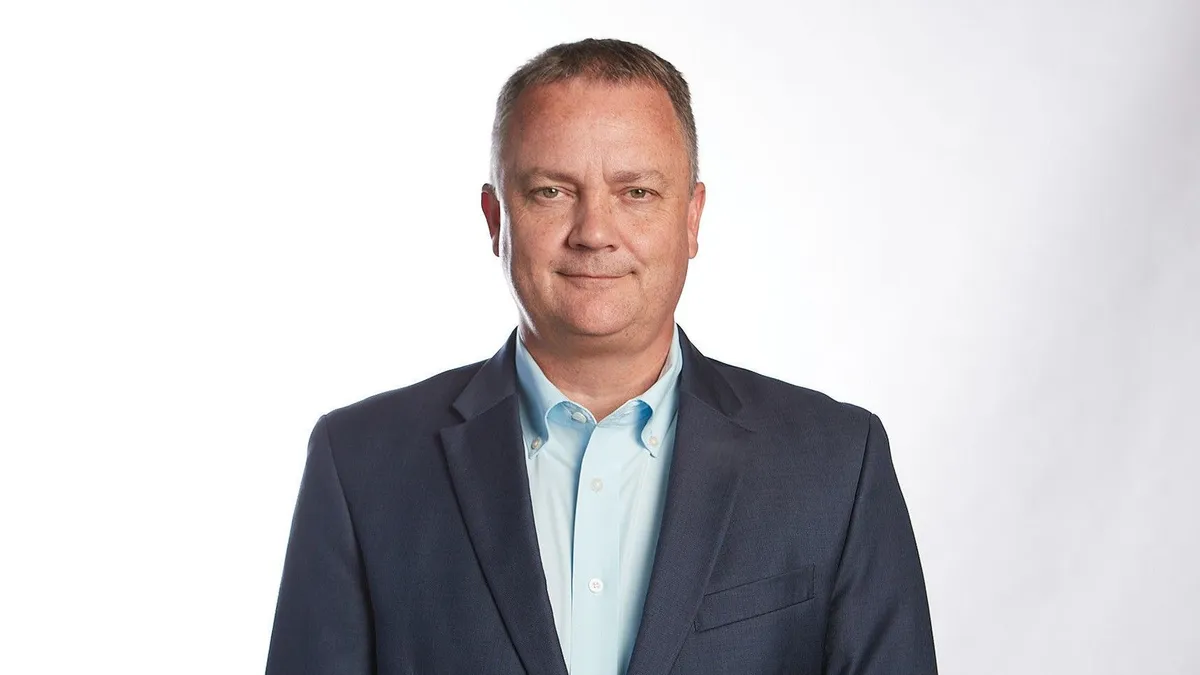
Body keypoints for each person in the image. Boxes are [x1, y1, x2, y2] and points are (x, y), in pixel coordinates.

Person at [265, 38, 937, 675]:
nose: (593, 232)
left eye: (635, 192)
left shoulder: (836, 463)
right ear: (496, 219)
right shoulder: (359, 465)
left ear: (692, 216)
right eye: (551, 191)